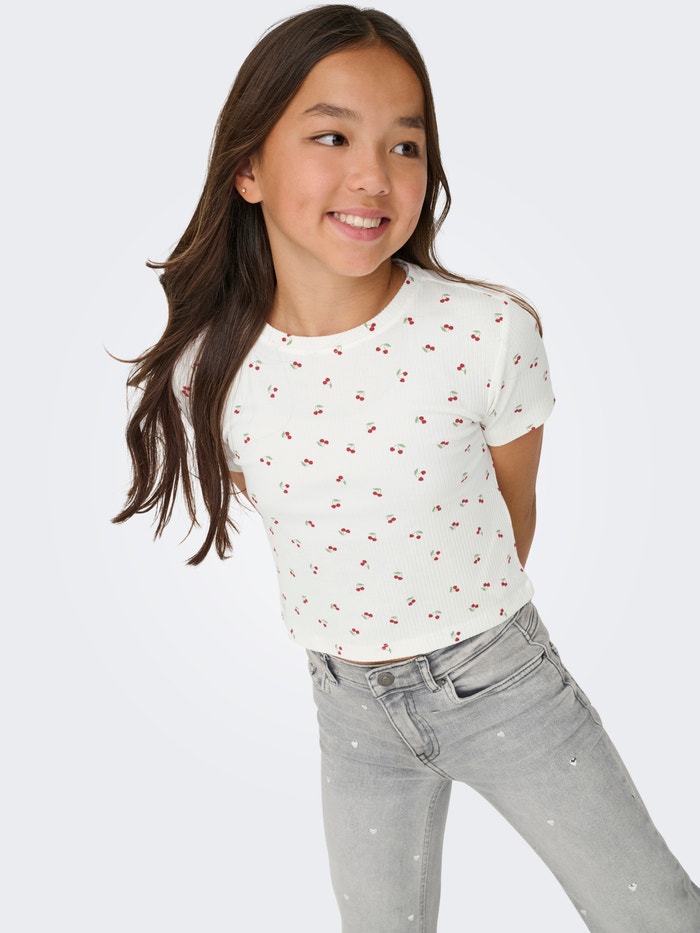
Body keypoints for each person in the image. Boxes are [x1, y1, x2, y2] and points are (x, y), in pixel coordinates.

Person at [113, 5, 700, 930]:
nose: (374, 175)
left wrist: (452, 646)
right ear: (249, 167)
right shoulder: (208, 371)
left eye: (406, 145)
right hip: (349, 713)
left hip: (504, 687)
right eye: (333, 136)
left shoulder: (486, 332)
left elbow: (512, 509)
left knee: (653, 912)